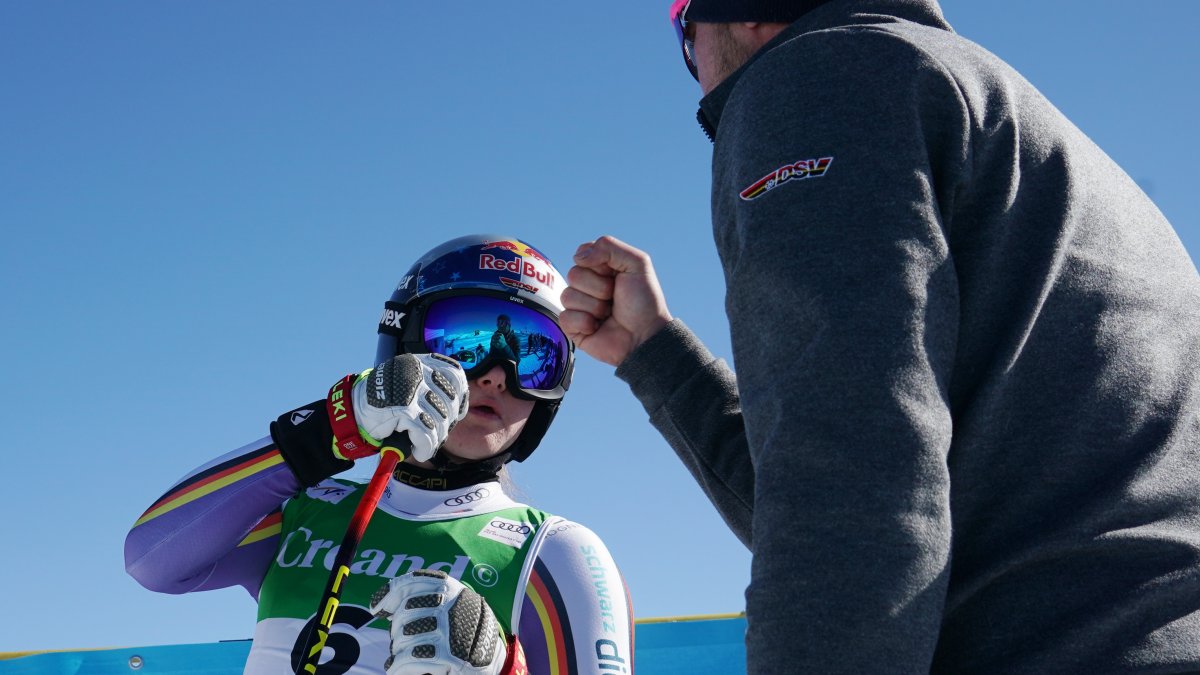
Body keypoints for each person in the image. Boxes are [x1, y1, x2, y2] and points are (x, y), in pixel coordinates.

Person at [561, 0, 1200, 671]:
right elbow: (874, 487)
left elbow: (850, 489)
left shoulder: (820, 76)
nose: (695, 75)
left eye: (686, 36)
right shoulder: (1027, 134)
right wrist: (654, 352)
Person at [126, 235, 634, 675]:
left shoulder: (555, 553)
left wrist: (503, 668)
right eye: (462, 339)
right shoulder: (307, 510)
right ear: (403, 346)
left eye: (534, 355)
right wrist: (334, 424)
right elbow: (152, 560)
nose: (497, 374)